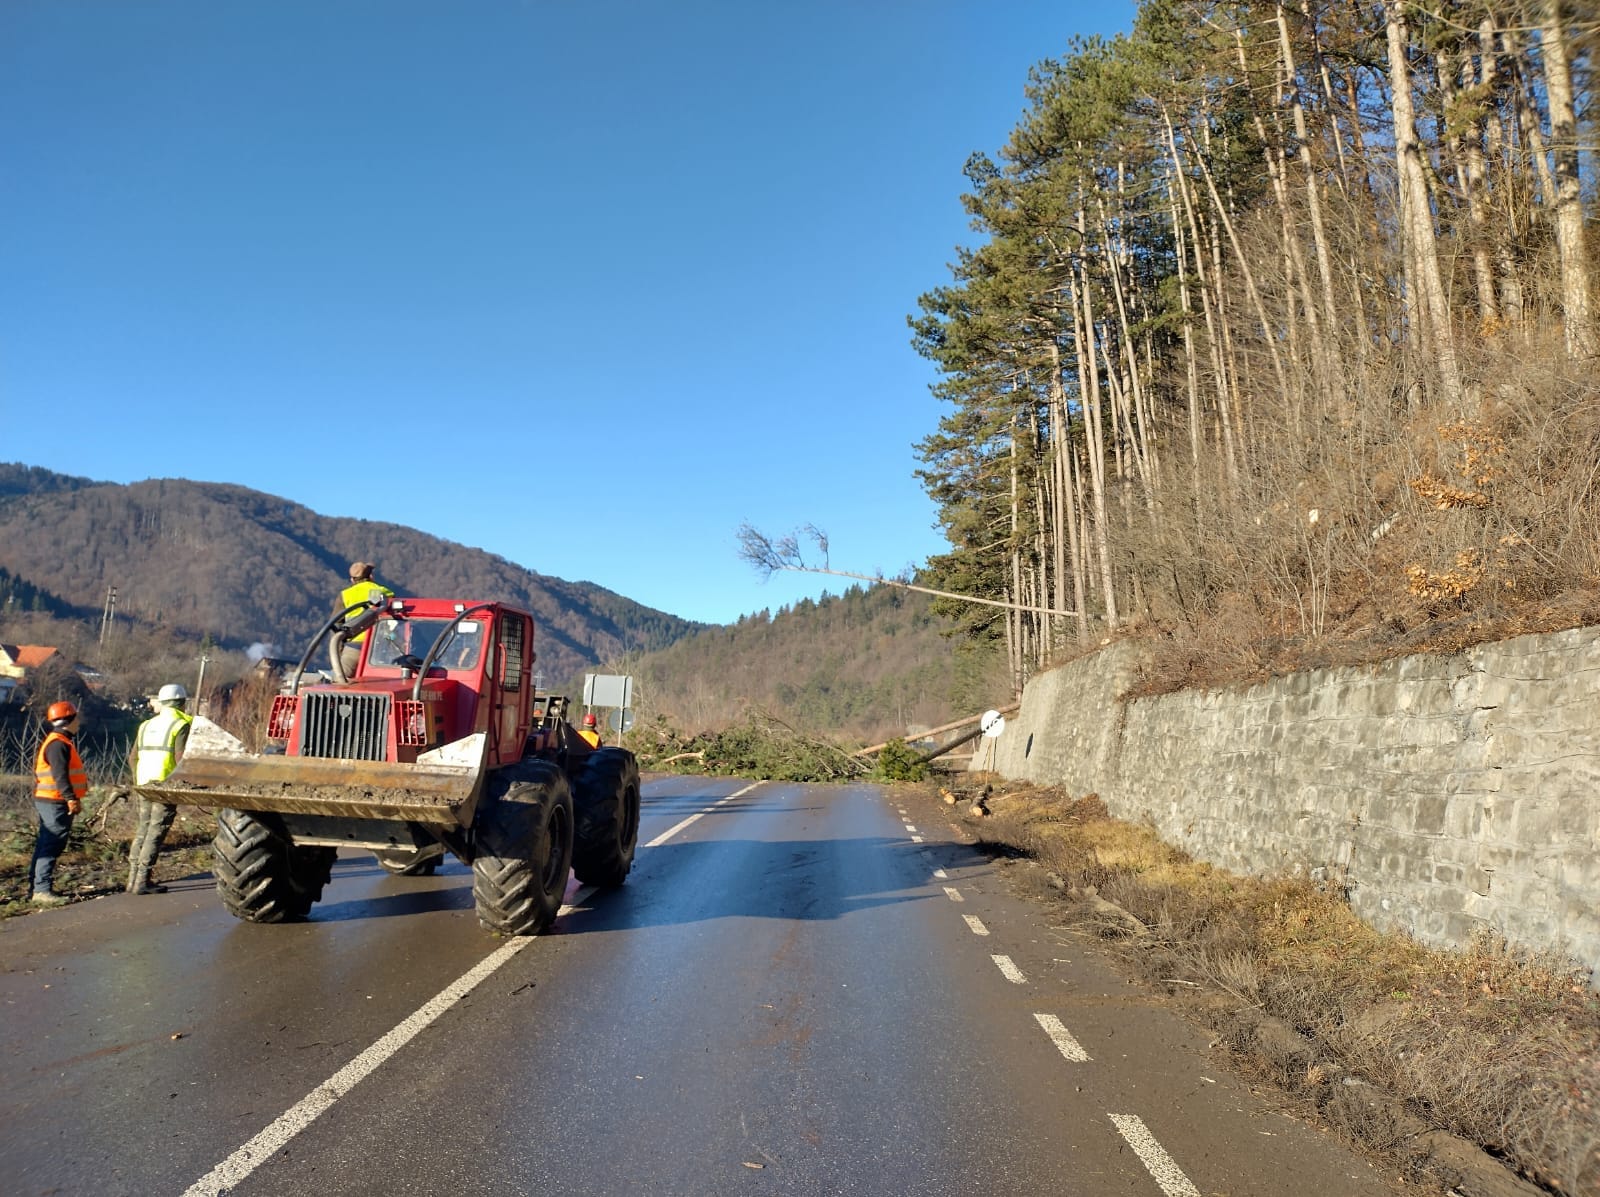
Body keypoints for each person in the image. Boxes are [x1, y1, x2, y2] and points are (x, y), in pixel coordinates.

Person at [126, 682, 194, 895]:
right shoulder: (181, 723)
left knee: (143, 828)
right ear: (182, 703)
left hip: (144, 782)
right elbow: (181, 758)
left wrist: (139, 780)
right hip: (165, 785)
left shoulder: (146, 724)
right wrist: (187, 783)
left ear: (163, 703)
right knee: (156, 830)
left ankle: (131, 880)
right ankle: (142, 881)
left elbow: (132, 757)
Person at [30, 700, 87, 905]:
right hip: (55, 801)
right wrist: (71, 799)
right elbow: (60, 776)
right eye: (76, 718)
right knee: (52, 844)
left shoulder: (58, 741)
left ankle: (36, 887)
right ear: (69, 720)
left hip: (50, 800)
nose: (79, 722)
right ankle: (41, 890)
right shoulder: (58, 744)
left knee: (46, 843)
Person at [335, 561, 393, 676]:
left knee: (341, 683)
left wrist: (340, 651)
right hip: (378, 649)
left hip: (353, 647)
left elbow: (336, 626)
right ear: (371, 577)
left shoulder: (345, 595)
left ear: (352, 580)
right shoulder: (383, 591)